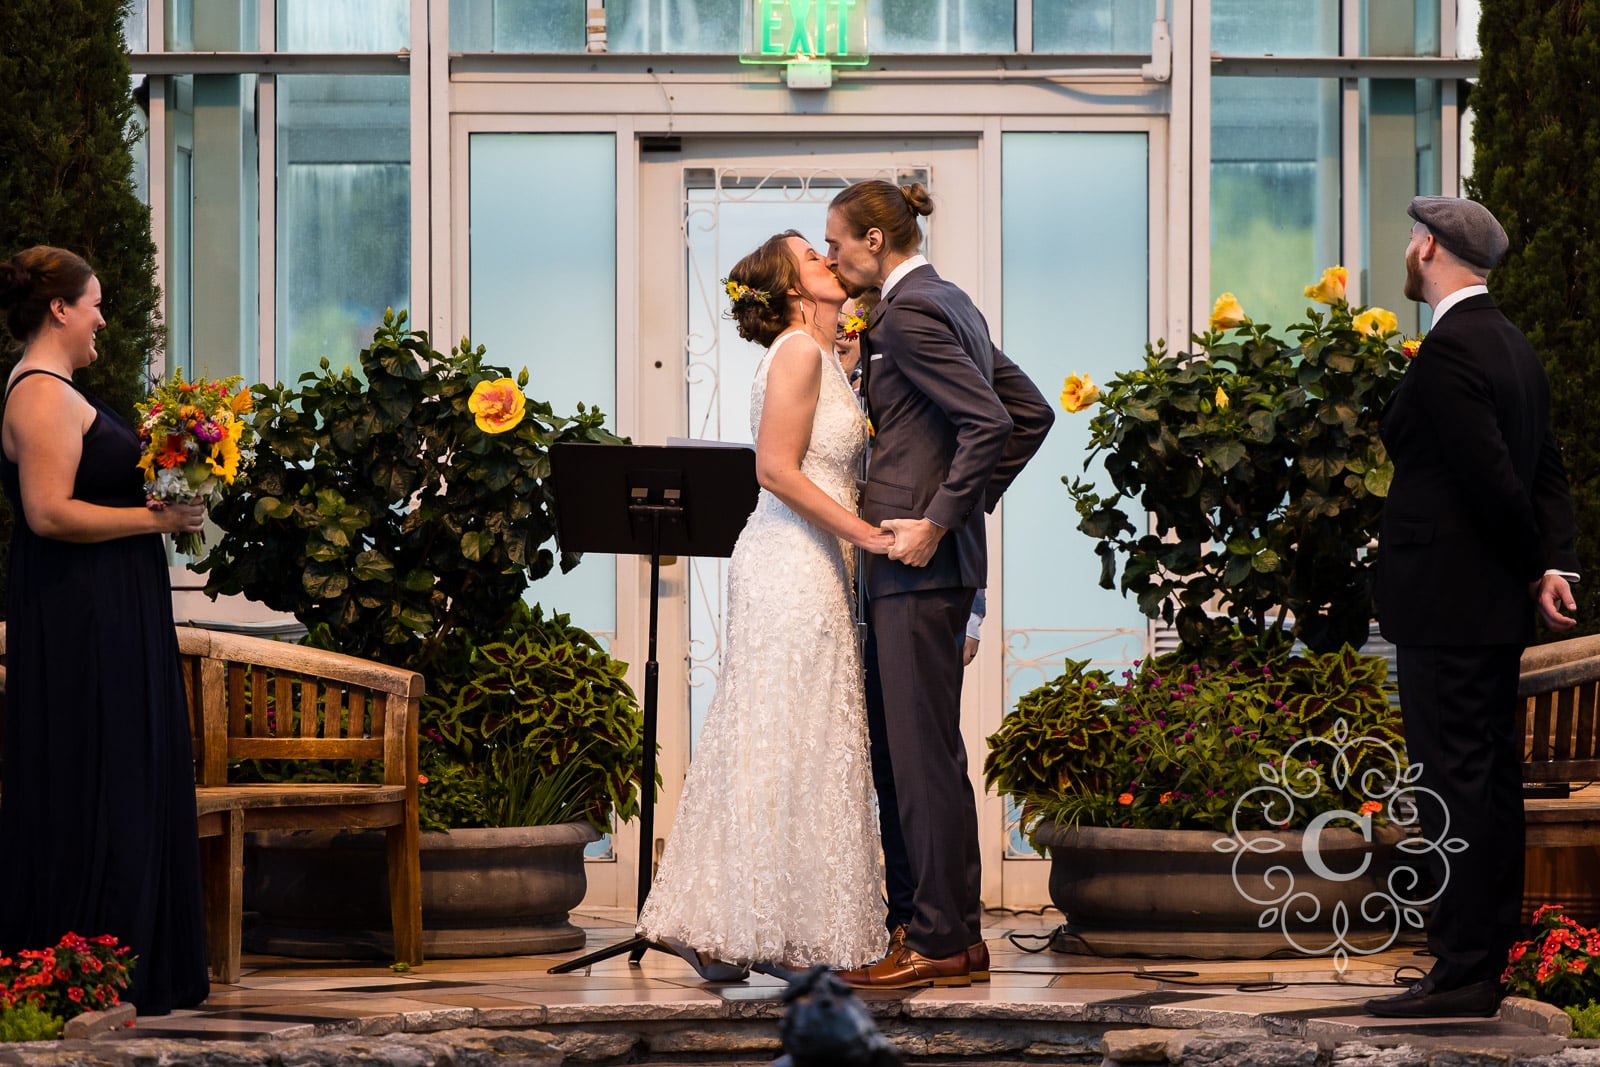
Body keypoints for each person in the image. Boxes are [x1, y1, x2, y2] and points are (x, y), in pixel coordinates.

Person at [636, 230, 894, 978]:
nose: (830, 261)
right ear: (790, 289)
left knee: (796, 737)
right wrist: (867, 537)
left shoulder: (820, 353)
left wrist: (849, 357)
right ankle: (741, 922)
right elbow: (776, 470)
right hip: (790, 558)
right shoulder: (796, 351)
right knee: (780, 734)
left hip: (816, 559)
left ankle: (741, 922)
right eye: (814, 257)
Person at [824, 181, 1055, 989]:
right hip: (925, 564)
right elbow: (1029, 411)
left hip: (913, 564)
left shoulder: (909, 312)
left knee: (916, 758)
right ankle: (955, 934)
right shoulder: (950, 301)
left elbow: (993, 422)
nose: (831, 257)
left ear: (877, 241)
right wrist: (963, 504)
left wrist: (935, 518)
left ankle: (935, 940)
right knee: (927, 754)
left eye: (839, 243)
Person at [1363, 198, 1579, 1019]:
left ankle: (1460, 972)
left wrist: (1535, 567)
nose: (1407, 250)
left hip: (1449, 609)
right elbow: (1545, 470)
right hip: (1482, 610)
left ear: (1428, 248)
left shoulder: (1453, 349)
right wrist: (1552, 563)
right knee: (1489, 785)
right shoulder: (1511, 344)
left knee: (1455, 786)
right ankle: (1480, 963)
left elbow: (1495, 480)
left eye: (1410, 240)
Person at [0, 246, 210, 1014]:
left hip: (109, 608)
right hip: (82, 618)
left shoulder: (60, 389)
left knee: (127, 771)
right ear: (60, 309)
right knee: (100, 774)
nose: (103, 319)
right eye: (95, 303)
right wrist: (156, 519)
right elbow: (48, 511)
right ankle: (93, 964)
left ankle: (131, 961)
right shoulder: (43, 396)